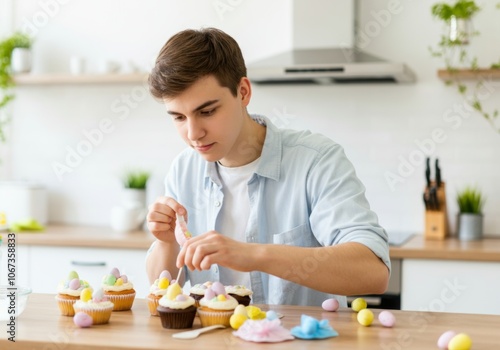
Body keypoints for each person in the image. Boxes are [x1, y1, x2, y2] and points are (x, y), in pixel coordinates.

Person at [145, 27, 390, 306]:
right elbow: (160, 286)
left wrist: (254, 255)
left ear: (243, 92)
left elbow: (373, 270)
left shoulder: (315, 160)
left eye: (208, 111)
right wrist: (167, 241)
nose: (193, 133)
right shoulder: (184, 169)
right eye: (178, 117)